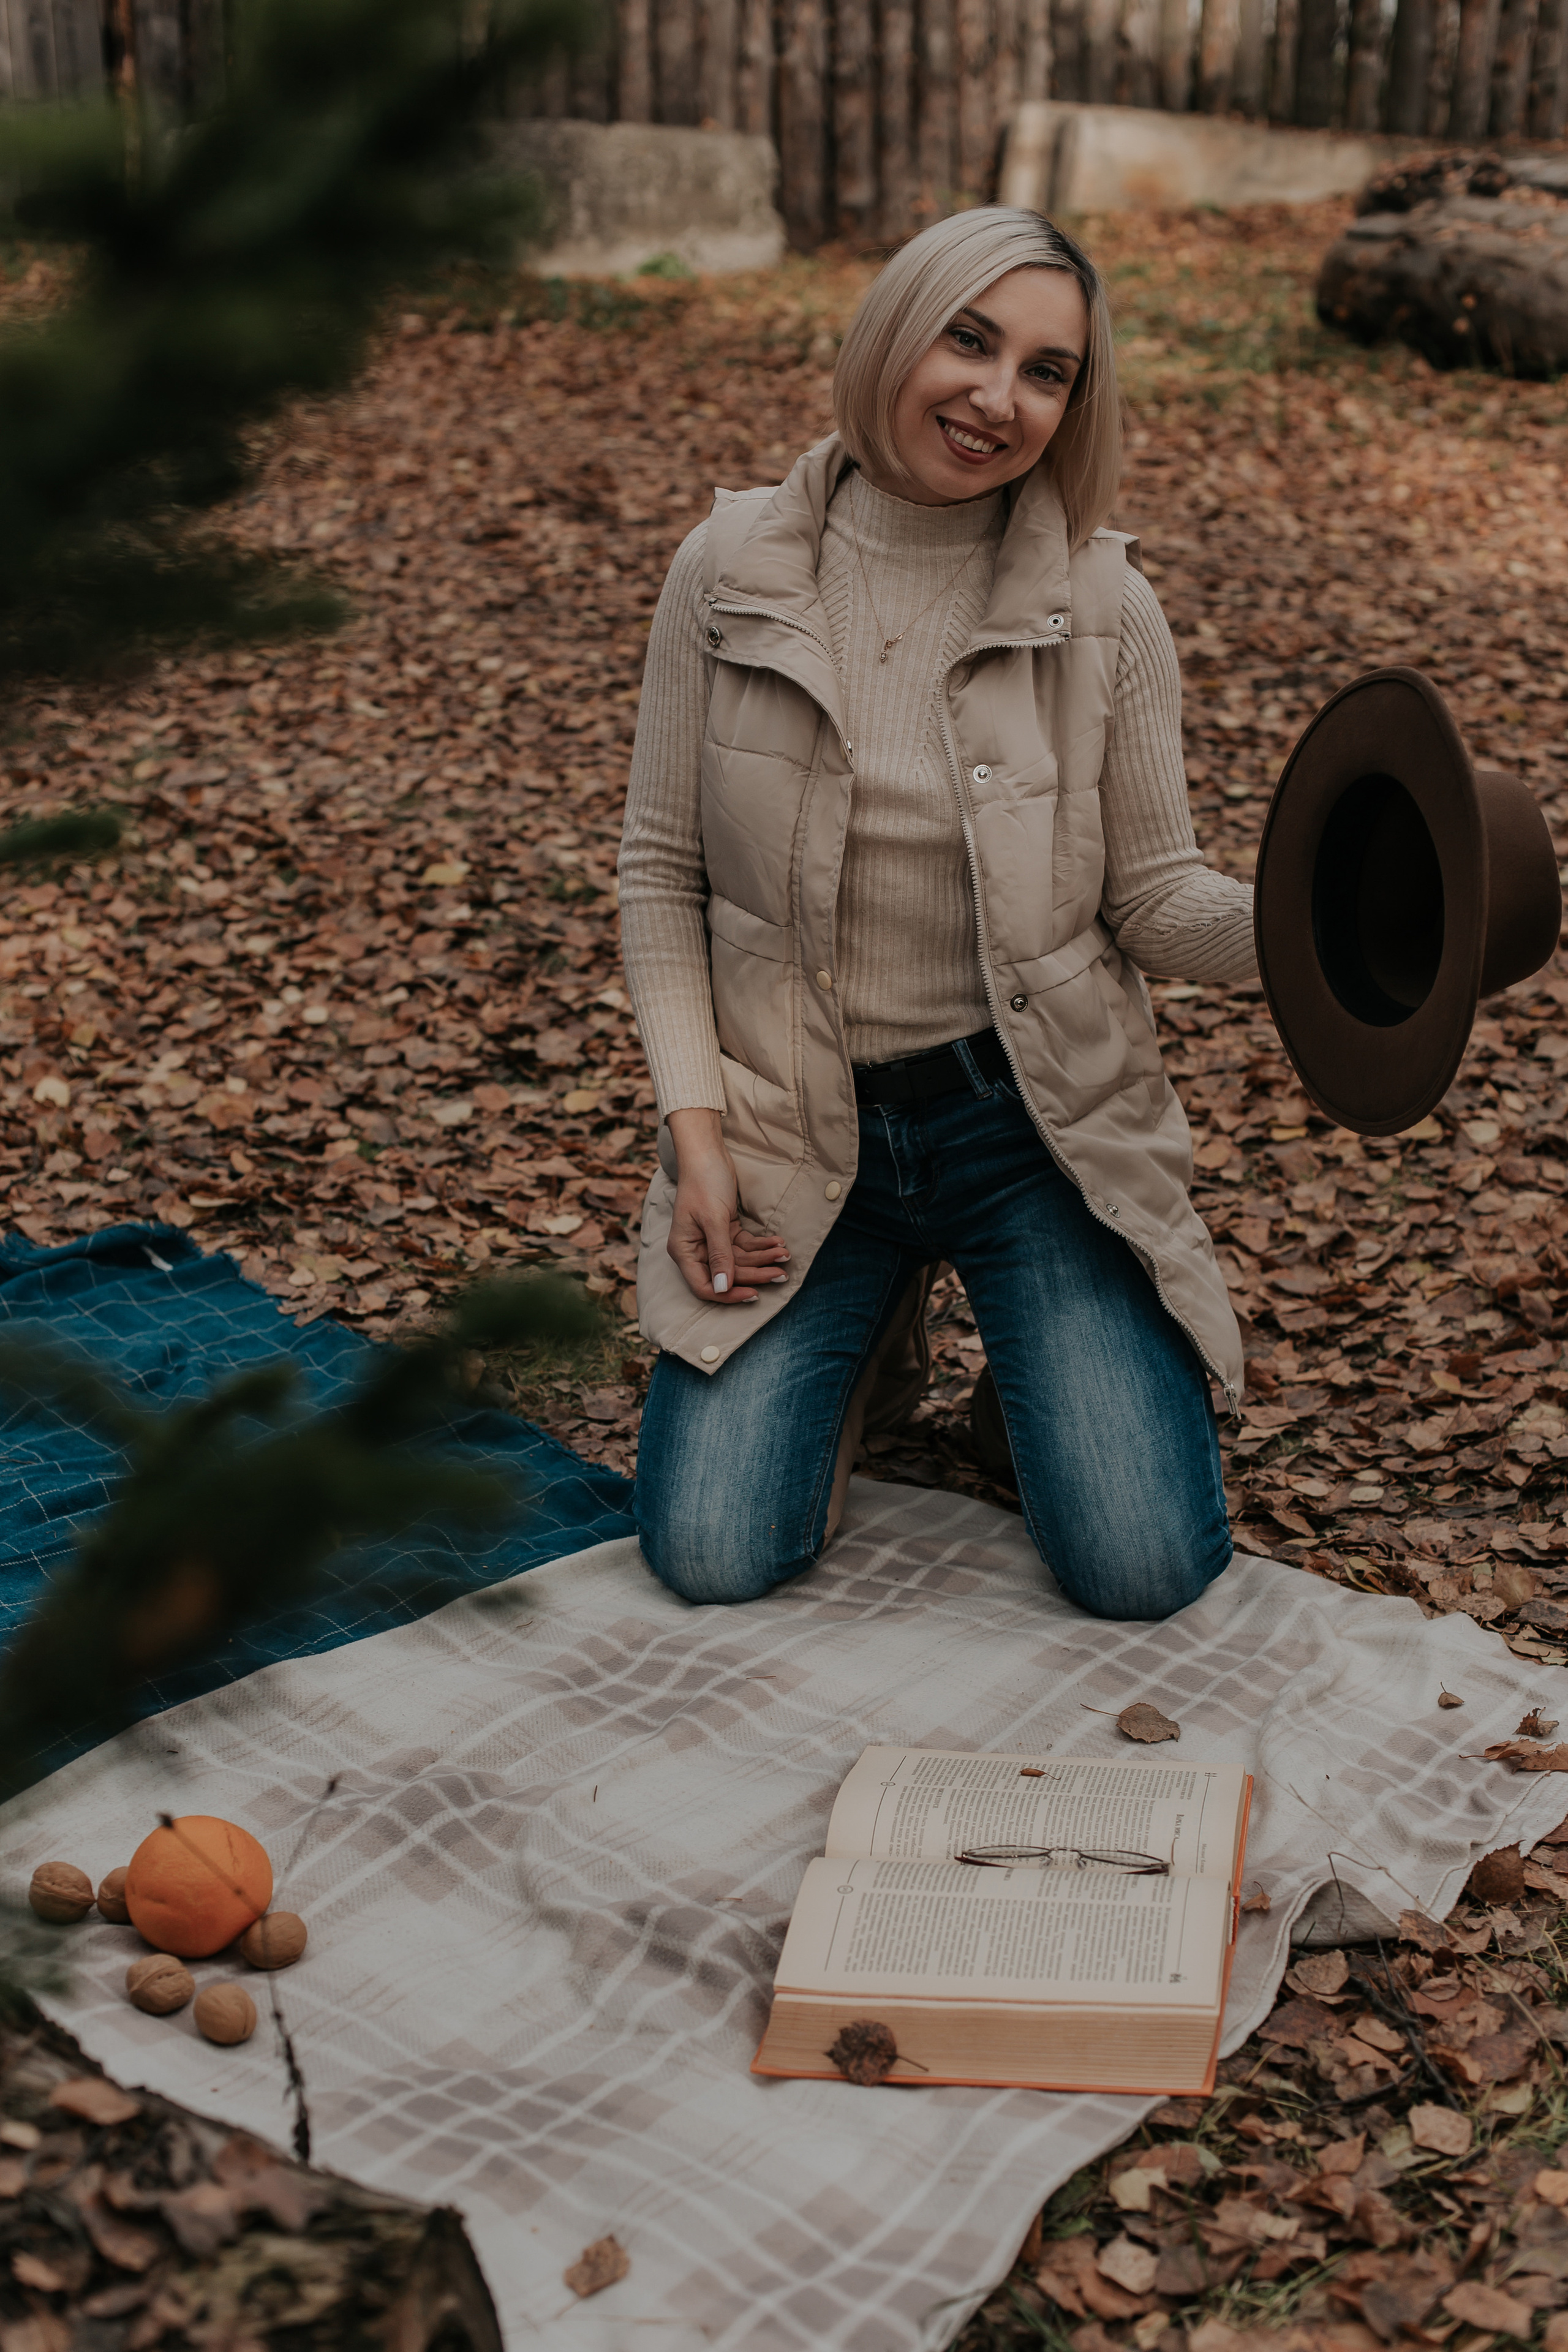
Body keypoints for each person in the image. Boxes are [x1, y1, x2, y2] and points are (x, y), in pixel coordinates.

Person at [617, 206, 1256, 1621]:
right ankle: (867, 1343)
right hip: (797, 1127)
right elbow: (662, 872)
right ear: (894, 331)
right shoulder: (727, 569)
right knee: (713, 1553)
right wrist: (697, 1137)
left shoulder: (1101, 602)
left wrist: (1317, 939)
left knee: (1143, 1569)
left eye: (1047, 371)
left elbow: (1156, 898)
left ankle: (1015, 1399)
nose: (996, 398)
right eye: (968, 341)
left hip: (1027, 1128)